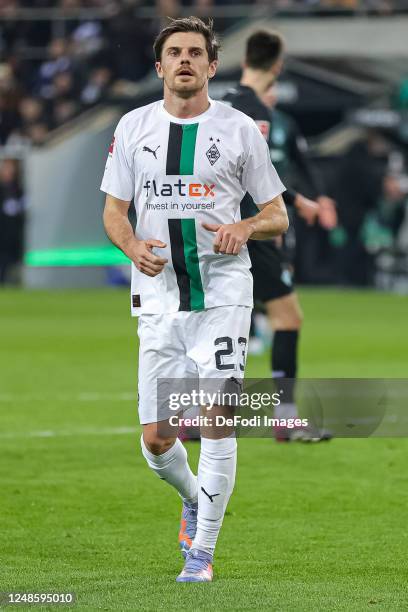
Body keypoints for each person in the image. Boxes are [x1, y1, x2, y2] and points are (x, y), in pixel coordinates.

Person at [101, 17, 288, 582]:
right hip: (158, 301)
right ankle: (192, 496)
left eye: (196, 53)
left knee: (216, 420)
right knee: (158, 440)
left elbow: (276, 214)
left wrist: (246, 227)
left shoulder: (238, 131)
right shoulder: (133, 127)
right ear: (160, 67)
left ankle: (202, 553)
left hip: (223, 299)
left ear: (212, 66)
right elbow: (114, 211)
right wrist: (132, 243)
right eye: (174, 53)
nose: (185, 61)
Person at [223, 31, 337, 441]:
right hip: (255, 230)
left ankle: (194, 417)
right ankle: (285, 418)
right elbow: (256, 173)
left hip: (216, 228)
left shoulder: (222, 104)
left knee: (212, 320)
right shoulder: (255, 113)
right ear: (277, 65)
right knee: (287, 317)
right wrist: (298, 200)